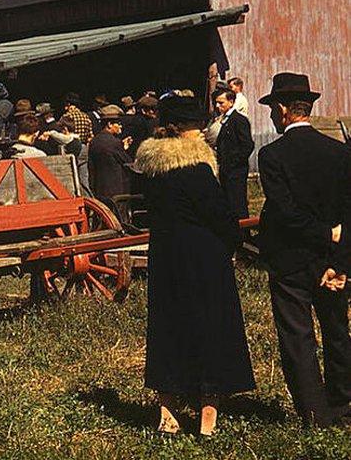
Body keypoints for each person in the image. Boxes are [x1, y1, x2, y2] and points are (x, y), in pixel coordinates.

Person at [135, 95, 255, 436]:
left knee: (168, 329)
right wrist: (235, 239)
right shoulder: (198, 169)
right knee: (210, 329)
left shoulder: (153, 169)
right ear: (188, 131)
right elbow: (219, 216)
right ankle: (207, 419)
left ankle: (167, 414)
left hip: (166, 256)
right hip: (204, 259)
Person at [257, 72, 351, 428]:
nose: (269, 116)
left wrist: (323, 234)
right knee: (337, 330)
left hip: (291, 260)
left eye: (271, 109)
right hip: (333, 261)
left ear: (282, 109)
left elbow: (285, 212)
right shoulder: (340, 153)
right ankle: (343, 404)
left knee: (297, 336)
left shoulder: (271, 155)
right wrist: (341, 259)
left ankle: (315, 413)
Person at [214, 89, 254, 219]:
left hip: (236, 170)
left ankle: (243, 232)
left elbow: (247, 145)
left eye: (221, 103)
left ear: (231, 102)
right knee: (228, 202)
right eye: (216, 103)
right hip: (226, 169)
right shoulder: (225, 120)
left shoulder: (239, 120)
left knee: (237, 202)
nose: (217, 106)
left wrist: (233, 162)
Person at [87, 105, 133, 206]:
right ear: (109, 124)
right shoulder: (115, 143)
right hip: (116, 191)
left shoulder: (94, 142)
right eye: (119, 124)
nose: (121, 126)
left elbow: (92, 167)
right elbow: (127, 162)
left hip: (99, 190)